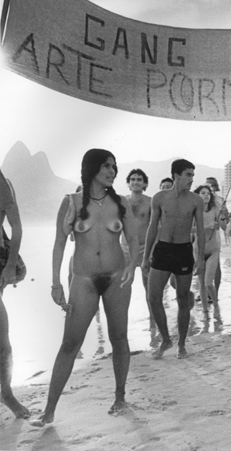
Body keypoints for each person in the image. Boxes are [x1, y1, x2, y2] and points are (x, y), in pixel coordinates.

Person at [31, 149, 138, 426]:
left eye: (114, 166)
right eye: (107, 166)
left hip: (116, 279)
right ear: (92, 168)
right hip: (84, 280)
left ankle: (120, 397)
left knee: (119, 337)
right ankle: (49, 410)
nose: (112, 171)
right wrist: (56, 283)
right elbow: (58, 244)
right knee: (70, 343)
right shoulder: (72, 202)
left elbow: (133, 239)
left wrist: (131, 266)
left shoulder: (121, 202)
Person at [143, 159, 205, 360]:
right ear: (176, 175)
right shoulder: (159, 198)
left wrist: (201, 259)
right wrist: (145, 257)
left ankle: (181, 344)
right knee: (153, 297)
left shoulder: (195, 200)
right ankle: (165, 339)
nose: (191, 179)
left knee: (182, 298)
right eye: (188, 175)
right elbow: (152, 227)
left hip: (183, 251)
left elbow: (201, 231)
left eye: (192, 175)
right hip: (162, 250)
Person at [0, 170, 30, 419]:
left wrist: (11, 265)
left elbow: (16, 225)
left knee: (2, 340)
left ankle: (6, 393)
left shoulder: (2, 183)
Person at [194, 185, 225, 319]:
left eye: (208, 193)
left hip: (213, 249)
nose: (206, 195)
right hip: (198, 250)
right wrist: (207, 226)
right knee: (201, 283)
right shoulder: (194, 211)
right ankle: (205, 312)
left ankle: (216, 305)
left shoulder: (216, 209)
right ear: (197, 195)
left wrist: (222, 217)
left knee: (208, 282)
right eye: (203, 193)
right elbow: (189, 229)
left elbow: (223, 227)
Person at [123, 169, 152, 312]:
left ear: (145, 184)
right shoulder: (122, 202)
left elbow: (155, 228)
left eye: (139, 179)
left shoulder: (150, 202)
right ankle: (123, 322)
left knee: (149, 288)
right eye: (132, 179)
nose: (135, 182)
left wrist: (151, 251)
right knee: (123, 287)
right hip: (125, 249)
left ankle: (153, 322)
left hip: (145, 249)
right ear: (128, 184)